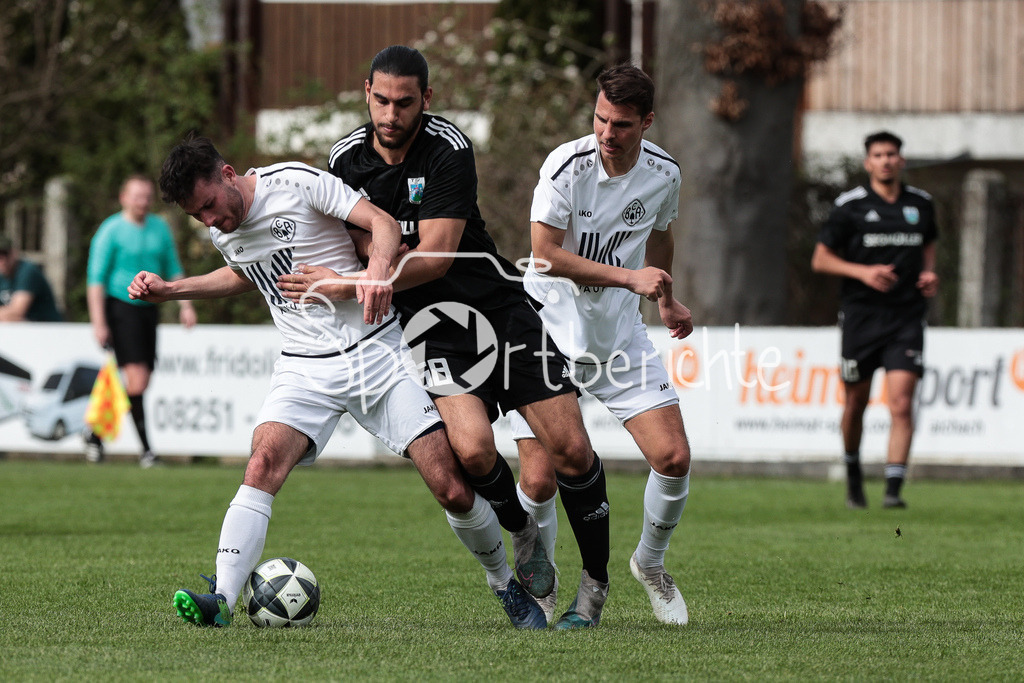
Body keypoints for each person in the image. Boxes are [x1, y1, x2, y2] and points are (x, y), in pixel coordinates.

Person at [134, 135, 546, 630]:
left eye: (209, 206)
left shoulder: (295, 183)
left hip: (379, 354)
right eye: (197, 217)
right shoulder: (225, 230)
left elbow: (383, 225)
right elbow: (246, 271)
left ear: (227, 174)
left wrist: (374, 275)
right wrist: (173, 290)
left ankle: (503, 583)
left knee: (451, 488)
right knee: (262, 461)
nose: (211, 221)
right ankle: (220, 597)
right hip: (304, 368)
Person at [279, 45, 611, 629]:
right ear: (367, 92)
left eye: (404, 102)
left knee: (571, 451)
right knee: (475, 450)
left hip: (497, 310)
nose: (390, 114)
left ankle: (594, 587)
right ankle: (524, 534)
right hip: (432, 331)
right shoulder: (345, 160)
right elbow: (357, 241)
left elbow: (434, 258)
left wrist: (358, 277)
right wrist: (381, 258)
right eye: (380, 100)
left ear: (425, 100)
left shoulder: (449, 148)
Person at [506, 64, 694, 626]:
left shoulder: (664, 173)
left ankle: (651, 565)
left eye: (623, 124)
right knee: (539, 479)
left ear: (648, 123)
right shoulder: (566, 166)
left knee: (674, 457)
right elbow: (545, 255)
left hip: (618, 335)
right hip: (548, 331)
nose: (608, 133)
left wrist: (664, 295)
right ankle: (544, 582)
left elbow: (661, 233)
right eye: (601, 118)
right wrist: (628, 277)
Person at [811, 130, 939, 510]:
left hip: (906, 318)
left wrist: (930, 272)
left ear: (901, 160)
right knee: (856, 402)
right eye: (879, 155)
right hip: (861, 318)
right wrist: (862, 273)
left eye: (892, 154)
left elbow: (929, 244)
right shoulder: (850, 206)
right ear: (868, 162)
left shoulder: (922, 204)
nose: (886, 160)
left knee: (901, 403)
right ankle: (853, 476)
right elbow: (820, 259)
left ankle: (894, 490)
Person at [86, 175, 198, 466]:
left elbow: (173, 269)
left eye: (147, 196)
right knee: (136, 377)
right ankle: (148, 451)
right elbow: (95, 280)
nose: (143, 202)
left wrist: (186, 305)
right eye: (137, 196)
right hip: (121, 307)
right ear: (124, 197)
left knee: (141, 380)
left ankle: (95, 434)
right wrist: (99, 323)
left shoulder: (159, 229)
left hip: (150, 310)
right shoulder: (110, 231)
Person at [0, 235, 63, 322]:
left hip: (47, 329)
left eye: (4, 254)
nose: (2, 260)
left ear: (14, 253)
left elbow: (17, 312)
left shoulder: (27, 271)